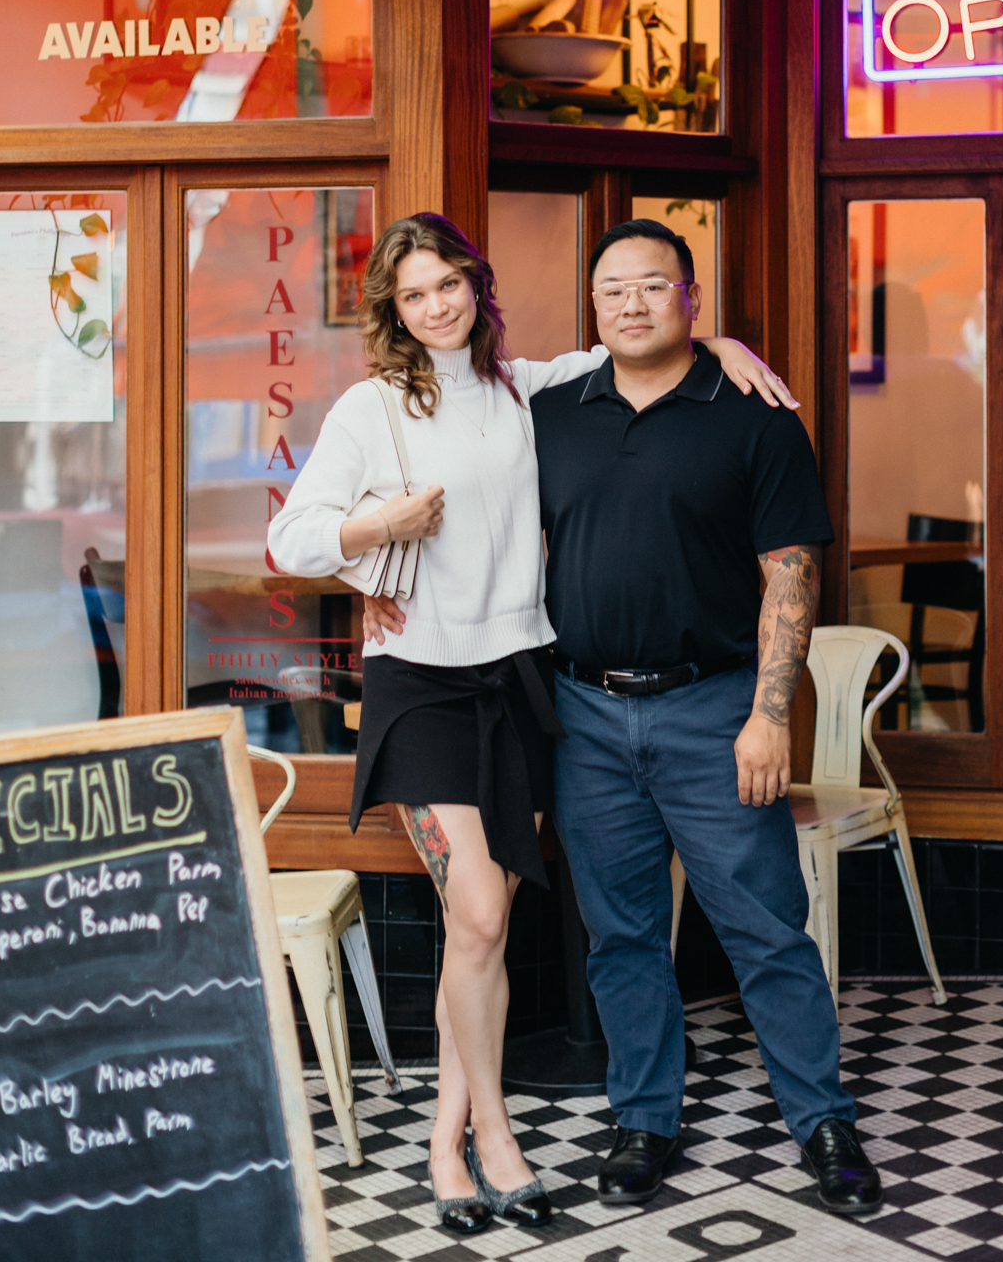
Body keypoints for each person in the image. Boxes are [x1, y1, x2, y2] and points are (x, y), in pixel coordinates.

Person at [269, 211, 792, 1235]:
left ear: (477, 285)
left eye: (448, 286)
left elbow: (639, 348)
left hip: (519, 678)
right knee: (477, 913)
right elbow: (290, 534)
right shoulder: (373, 408)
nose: (435, 308)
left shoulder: (526, 387)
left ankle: (441, 1140)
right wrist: (379, 531)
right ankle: (493, 1134)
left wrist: (721, 342)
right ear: (396, 310)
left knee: (481, 927)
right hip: (420, 684)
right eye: (414, 295)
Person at [531, 218, 881, 1218]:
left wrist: (772, 716)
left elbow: (792, 573)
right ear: (593, 309)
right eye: (611, 290)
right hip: (585, 713)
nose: (630, 303)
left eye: (652, 285)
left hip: (714, 707)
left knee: (765, 928)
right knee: (622, 937)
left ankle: (823, 1122)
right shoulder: (550, 413)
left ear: (692, 298)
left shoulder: (754, 417)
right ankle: (643, 1119)